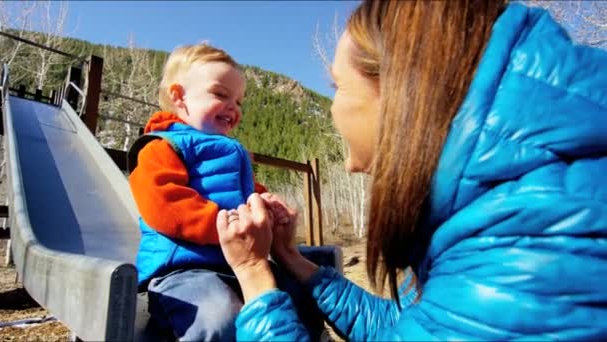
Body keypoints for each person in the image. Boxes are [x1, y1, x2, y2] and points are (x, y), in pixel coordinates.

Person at [217, 1, 607, 341]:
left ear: (400, 93)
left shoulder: (523, 255)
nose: (333, 109)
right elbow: (408, 327)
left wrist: (254, 275)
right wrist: (291, 257)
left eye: (337, 87)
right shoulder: (505, 209)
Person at [127, 43, 322, 341]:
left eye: (239, 100)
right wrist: (228, 228)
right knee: (217, 316)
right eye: (220, 94)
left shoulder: (231, 151)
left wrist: (265, 206)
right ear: (179, 97)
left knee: (300, 296)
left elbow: (245, 193)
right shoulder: (162, 146)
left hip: (239, 264)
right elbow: (163, 205)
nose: (234, 107)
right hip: (184, 269)